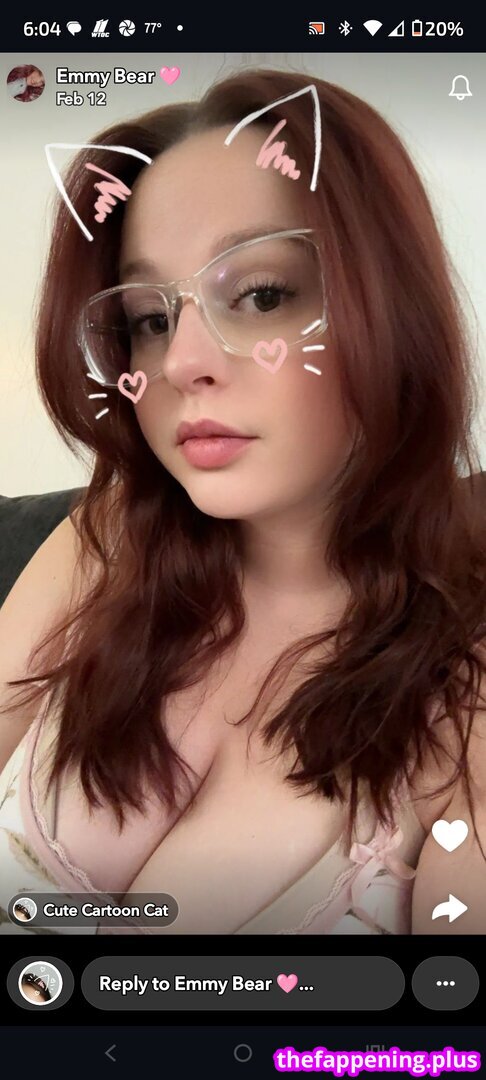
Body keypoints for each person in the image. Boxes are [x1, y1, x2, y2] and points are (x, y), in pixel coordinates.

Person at [0, 68, 485, 936]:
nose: (182, 363)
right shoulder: (105, 538)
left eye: (262, 295)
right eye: (150, 318)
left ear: (390, 305)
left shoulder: (463, 692)